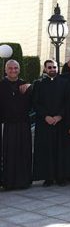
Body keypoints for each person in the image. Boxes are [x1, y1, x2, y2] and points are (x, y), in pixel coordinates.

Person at [32, 60, 67, 187]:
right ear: (45, 69)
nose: (52, 69)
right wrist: (46, 116)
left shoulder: (64, 83)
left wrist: (59, 116)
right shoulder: (38, 84)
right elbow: (35, 103)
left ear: (57, 68)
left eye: (54, 67)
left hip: (60, 123)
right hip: (44, 123)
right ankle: (48, 177)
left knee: (60, 150)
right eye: (50, 67)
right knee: (46, 150)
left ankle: (60, 177)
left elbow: (67, 102)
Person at [0, 60, 32, 190]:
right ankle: (8, 182)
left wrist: (30, 85)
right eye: (10, 68)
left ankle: (23, 181)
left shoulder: (25, 84)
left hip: (23, 124)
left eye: (16, 68)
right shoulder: (1, 85)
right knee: (8, 153)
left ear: (19, 69)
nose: (13, 70)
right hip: (7, 125)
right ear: (5, 70)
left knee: (23, 153)